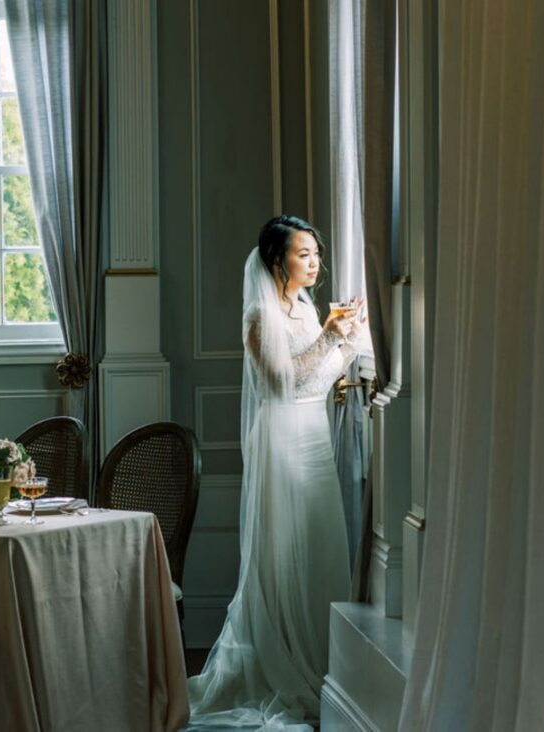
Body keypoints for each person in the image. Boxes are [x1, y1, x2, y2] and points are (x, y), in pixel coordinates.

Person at [188, 215, 363, 730]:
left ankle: (322, 658)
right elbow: (282, 382)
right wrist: (329, 336)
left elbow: (320, 377)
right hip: (283, 440)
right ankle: (284, 659)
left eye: (316, 253)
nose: (314, 262)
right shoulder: (259, 316)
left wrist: (350, 339)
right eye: (303, 253)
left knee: (319, 544)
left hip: (314, 435)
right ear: (275, 259)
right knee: (287, 548)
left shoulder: (305, 306)